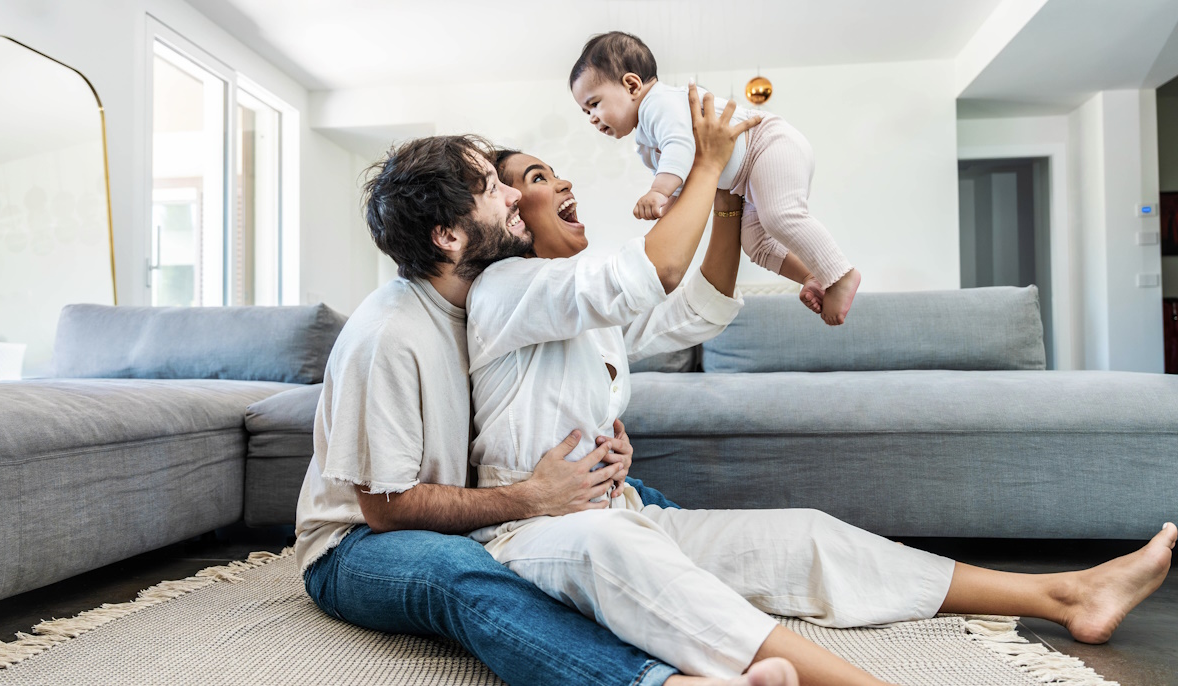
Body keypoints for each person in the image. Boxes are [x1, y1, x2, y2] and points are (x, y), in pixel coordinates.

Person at [460, 82, 1176, 686]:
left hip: (624, 516)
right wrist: (707, 165)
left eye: (553, 171)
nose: (562, 182)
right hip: (533, 537)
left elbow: (696, 306)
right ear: (507, 218)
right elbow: (656, 271)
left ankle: (1067, 591)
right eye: (536, 178)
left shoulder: (585, 311)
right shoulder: (508, 287)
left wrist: (735, 189)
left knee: (807, 537)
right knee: (618, 554)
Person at [293, 128, 795, 686]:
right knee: (464, 577)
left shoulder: (491, 298)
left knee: (638, 515)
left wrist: (599, 454)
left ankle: (720, 620)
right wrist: (530, 497)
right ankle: (659, 682)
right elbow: (385, 510)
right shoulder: (387, 334)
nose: (513, 197)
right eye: (491, 187)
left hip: (472, 507)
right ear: (448, 237)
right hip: (354, 544)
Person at [569, 30, 859, 325]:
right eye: (584, 111)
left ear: (632, 85)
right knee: (755, 244)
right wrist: (669, 203)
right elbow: (683, 180)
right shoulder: (644, 145)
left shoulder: (658, 104)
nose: (591, 117)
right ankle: (813, 276)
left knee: (780, 216)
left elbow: (679, 147)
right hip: (746, 178)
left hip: (766, 143)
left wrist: (657, 191)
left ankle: (841, 274)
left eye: (594, 104)